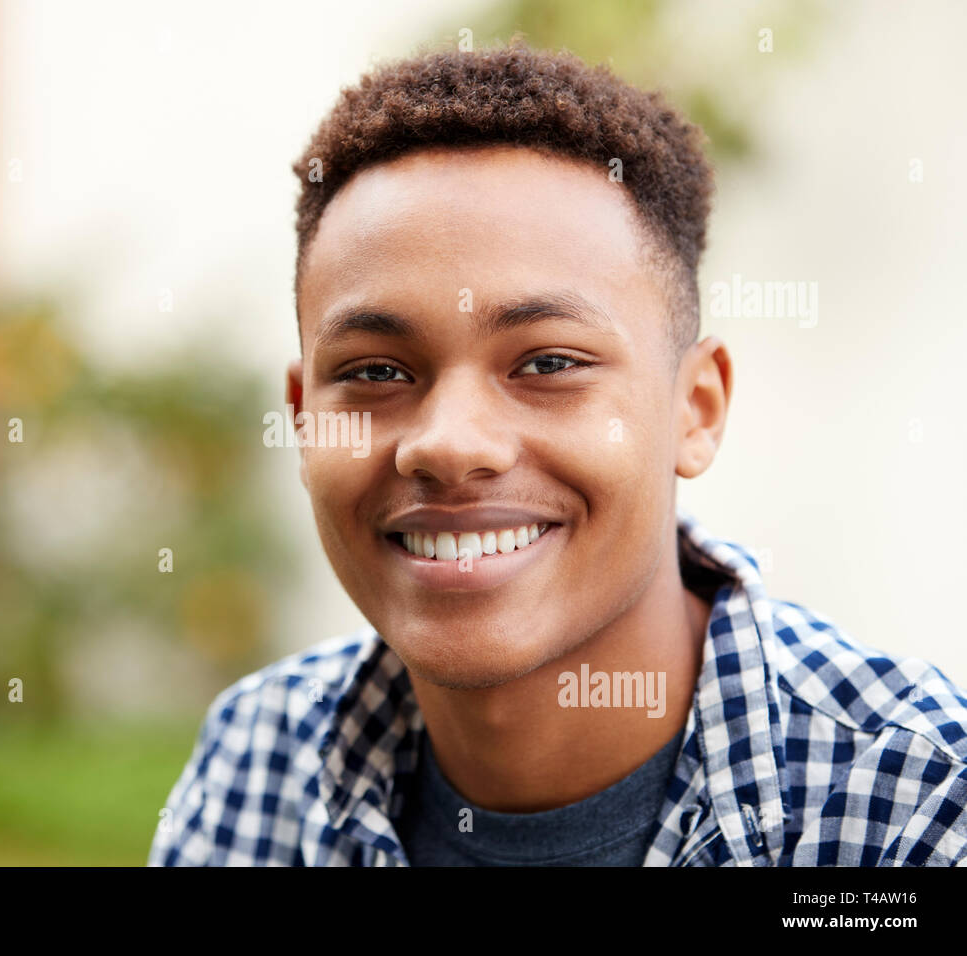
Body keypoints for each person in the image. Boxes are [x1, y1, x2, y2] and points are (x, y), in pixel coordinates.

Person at [148, 40, 967, 866]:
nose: (449, 444)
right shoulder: (256, 764)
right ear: (303, 417)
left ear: (696, 409)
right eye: (374, 372)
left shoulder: (918, 803)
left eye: (547, 363)